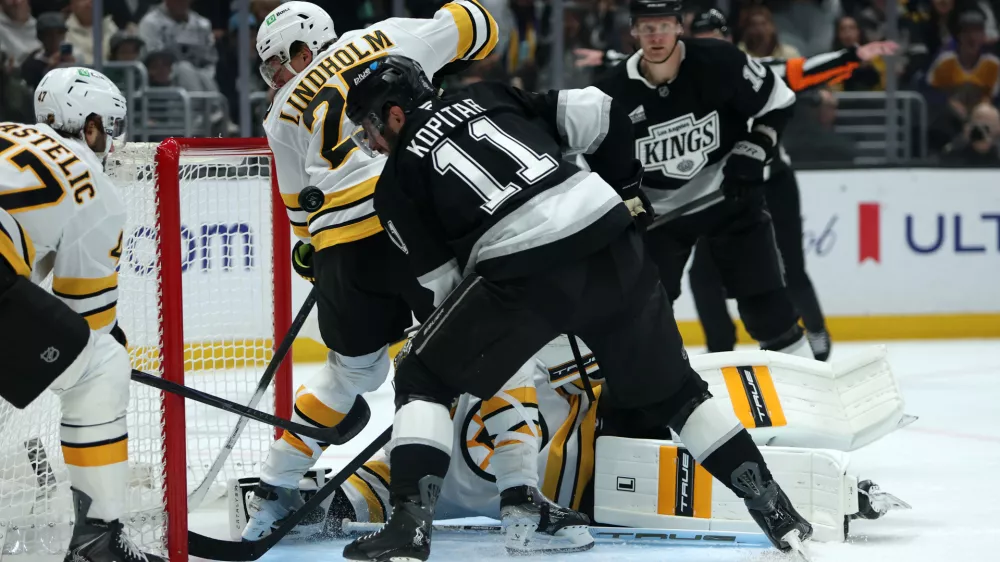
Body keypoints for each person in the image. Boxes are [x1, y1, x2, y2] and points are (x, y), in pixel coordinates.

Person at [340, 53, 812, 562]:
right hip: (613, 241)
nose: (371, 140)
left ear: (394, 113)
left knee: (420, 377)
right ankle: (778, 513)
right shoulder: (490, 93)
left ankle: (409, 528)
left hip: (523, 273)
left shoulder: (394, 186)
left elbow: (447, 291)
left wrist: (458, 358)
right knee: (679, 394)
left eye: (370, 124)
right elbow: (602, 112)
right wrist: (627, 190)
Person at [247, 2, 593, 555]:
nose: (275, 80)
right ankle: (522, 504)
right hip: (410, 214)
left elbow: (299, 215)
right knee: (494, 351)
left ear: (302, 47)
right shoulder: (386, 37)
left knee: (348, 376)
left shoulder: (280, 112)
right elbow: (477, 22)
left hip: (340, 242)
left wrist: (317, 256)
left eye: (275, 66)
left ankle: (271, 497)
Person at [0, 66, 161, 562]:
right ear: (89, 126)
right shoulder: (92, 184)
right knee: (101, 366)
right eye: (109, 128)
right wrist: (109, 341)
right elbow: (87, 323)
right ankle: (98, 541)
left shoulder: (5, 132)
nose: (111, 141)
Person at [592, 0, 812, 358]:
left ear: (680, 26)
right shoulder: (610, 94)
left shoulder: (719, 61)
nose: (656, 36)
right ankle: (666, 400)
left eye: (663, 26)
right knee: (646, 315)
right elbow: (595, 160)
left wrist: (755, 147)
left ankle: (809, 389)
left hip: (729, 199)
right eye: (647, 28)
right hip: (661, 218)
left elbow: (779, 102)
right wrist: (628, 197)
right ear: (633, 31)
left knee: (767, 309)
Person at [19, 12, 74, 89]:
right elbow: (30, 88)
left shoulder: (75, 57)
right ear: (40, 36)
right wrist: (49, 68)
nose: (55, 38)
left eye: (59, 33)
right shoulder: (32, 62)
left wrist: (75, 66)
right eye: (49, 34)